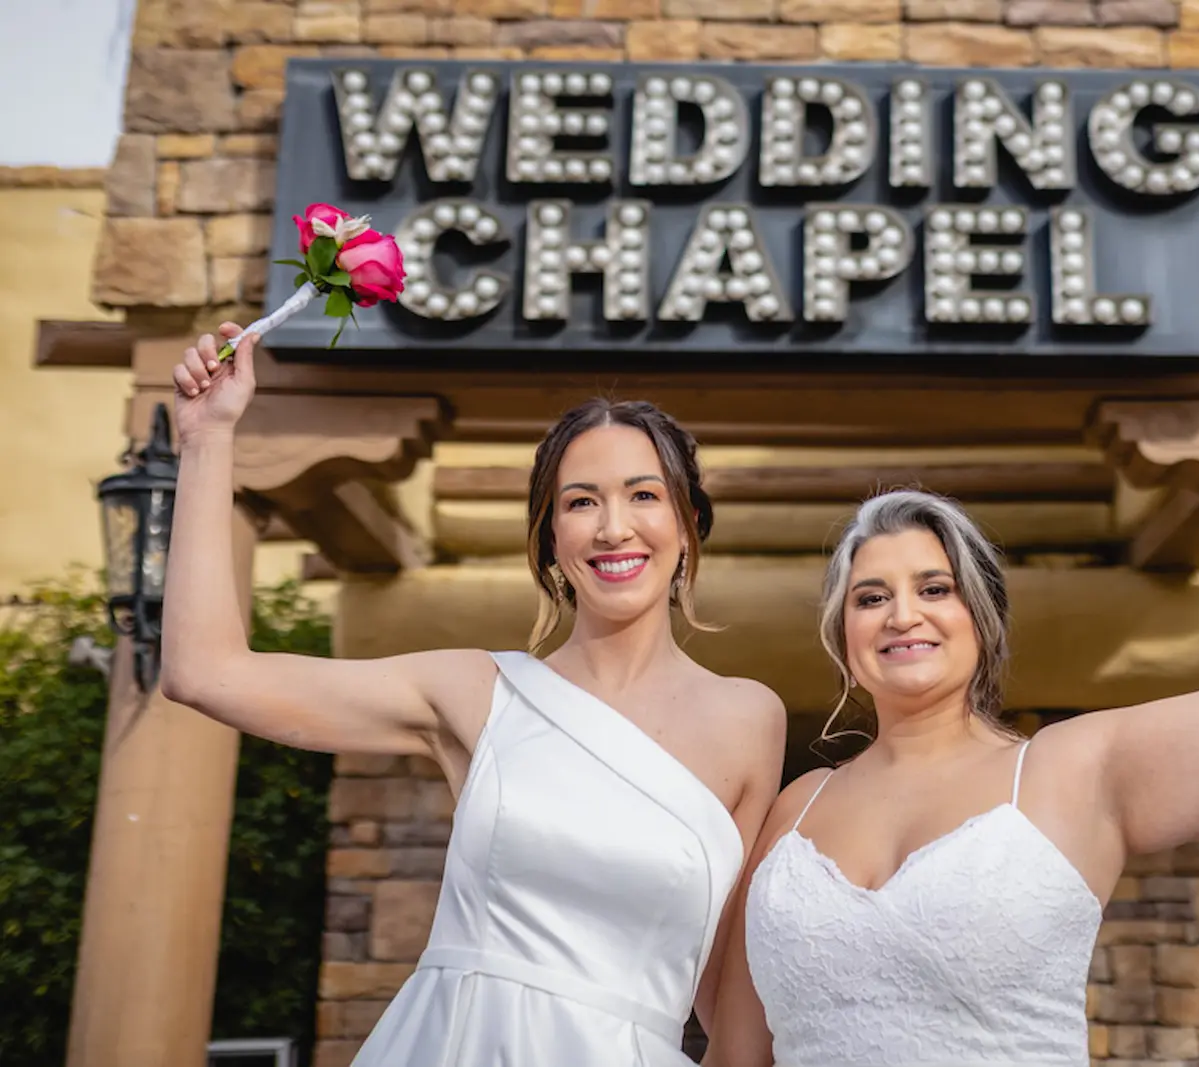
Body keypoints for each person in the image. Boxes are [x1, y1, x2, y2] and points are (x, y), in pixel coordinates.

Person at [702, 386, 1199, 1067]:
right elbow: (737, 1050)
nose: (902, 613)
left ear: (980, 619)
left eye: (934, 587)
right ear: (843, 634)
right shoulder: (795, 806)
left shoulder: (1069, 768)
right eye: (871, 596)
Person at [163, 323, 787, 1066]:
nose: (614, 527)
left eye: (644, 495)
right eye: (581, 502)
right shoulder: (477, 691)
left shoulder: (750, 717)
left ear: (687, 525)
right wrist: (207, 440)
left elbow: (732, 1012)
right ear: (551, 538)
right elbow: (205, 671)